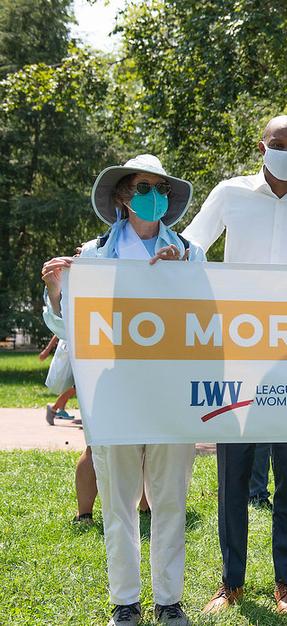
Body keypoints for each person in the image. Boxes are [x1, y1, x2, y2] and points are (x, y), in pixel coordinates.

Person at [182, 115, 287, 615]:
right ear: (262, 146)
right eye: (281, 143)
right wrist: (170, 254)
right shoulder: (230, 192)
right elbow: (194, 243)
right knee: (233, 472)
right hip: (236, 349)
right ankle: (229, 582)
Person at [41, 154, 204, 626]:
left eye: (160, 188)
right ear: (120, 197)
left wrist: (184, 277)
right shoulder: (91, 256)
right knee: (118, 501)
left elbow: (211, 317)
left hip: (173, 391)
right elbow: (66, 324)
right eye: (141, 188)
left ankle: (169, 602)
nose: (151, 196)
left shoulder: (191, 252)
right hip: (113, 392)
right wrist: (56, 289)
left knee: (170, 499)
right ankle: (125, 603)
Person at [39, 336, 77, 423]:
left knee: (76, 387)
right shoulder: (69, 323)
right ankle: (54, 408)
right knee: (76, 387)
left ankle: (58, 409)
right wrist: (47, 350)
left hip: (80, 352)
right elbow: (58, 333)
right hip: (73, 354)